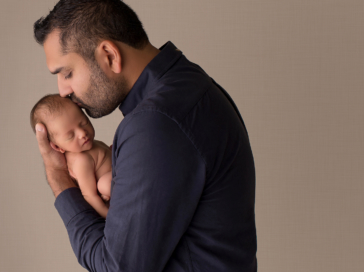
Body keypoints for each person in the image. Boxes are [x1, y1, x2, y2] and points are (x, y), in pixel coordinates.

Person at [32, 0, 258, 271]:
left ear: (109, 56)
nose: (63, 91)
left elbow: (117, 267)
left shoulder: (155, 124)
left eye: (67, 73)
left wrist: (59, 179)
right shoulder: (192, 83)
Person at [30, 94, 112, 218]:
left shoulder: (90, 146)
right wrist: (112, 218)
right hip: (114, 190)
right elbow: (89, 196)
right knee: (104, 185)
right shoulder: (81, 160)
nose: (82, 133)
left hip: (120, 178)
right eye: (70, 136)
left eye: (83, 123)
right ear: (58, 147)